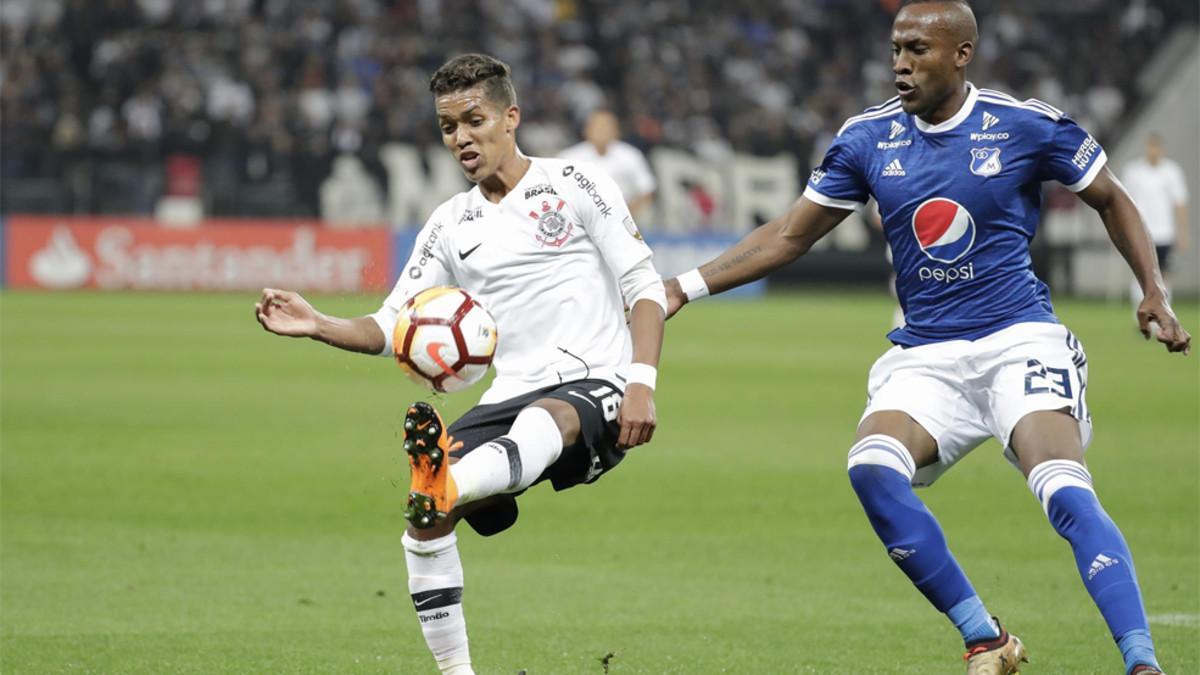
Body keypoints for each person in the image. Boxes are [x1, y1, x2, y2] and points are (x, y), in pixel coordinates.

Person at [663, 2, 1190, 674]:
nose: (900, 64)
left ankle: (1142, 661)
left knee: (1062, 489)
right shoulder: (867, 138)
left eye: (917, 49)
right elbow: (790, 235)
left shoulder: (1026, 124)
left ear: (961, 54)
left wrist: (1152, 288)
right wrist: (685, 286)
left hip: (1018, 340)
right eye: (895, 49)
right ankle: (986, 637)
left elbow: (1111, 197)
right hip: (926, 355)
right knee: (871, 468)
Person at [255, 54, 666, 675]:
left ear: (511, 117)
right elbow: (390, 326)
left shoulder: (576, 184)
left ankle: (458, 477)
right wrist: (318, 324)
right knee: (425, 521)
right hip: (513, 393)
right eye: (449, 127)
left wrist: (641, 382)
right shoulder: (451, 223)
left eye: (474, 120)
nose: (461, 138)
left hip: (596, 382)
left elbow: (644, 286)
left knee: (523, 435)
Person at [1122, 133, 1190, 310]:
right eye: (1150, 147)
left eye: (1156, 147)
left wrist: (1182, 232)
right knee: (1141, 272)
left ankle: (1166, 313)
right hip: (1141, 233)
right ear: (1147, 148)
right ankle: (1141, 314)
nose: (1153, 151)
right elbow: (1124, 203)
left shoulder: (1172, 172)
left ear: (1161, 149)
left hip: (1164, 233)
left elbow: (1180, 203)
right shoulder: (1134, 171)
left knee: (1165, 274)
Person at [559, 109, 657, 222]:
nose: (602, 130)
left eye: (606, 126)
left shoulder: (631, 155)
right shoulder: (568, 157)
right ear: (586, 130)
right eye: (597, 126)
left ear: (616, 131)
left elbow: (647, 190)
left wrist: (626, 214)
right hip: (580, 218)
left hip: (625, 216)